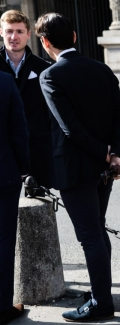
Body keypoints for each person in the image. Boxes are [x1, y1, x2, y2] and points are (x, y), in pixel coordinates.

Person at [36, 13, 120, 322]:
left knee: (89, 235)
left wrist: (105, 154)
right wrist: (114, 153)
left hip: (76, 168)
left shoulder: (50, 76)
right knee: (97, 230)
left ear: (45, 42)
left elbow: (70, 129)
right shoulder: (101, 69)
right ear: (74, 37)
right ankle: (101, 291)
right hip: (105, 167)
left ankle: (102, 302)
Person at [0, 10, 54, 190]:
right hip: (3, 150)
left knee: (38, 210)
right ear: (1, 32)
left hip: (36, 150)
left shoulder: (44, 68)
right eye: (9, 31)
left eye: (19, 31)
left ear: (29, 34)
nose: (13, 36)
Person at [0, 71, 30, 325]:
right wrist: (24, 169)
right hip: (4, 174)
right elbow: (18, 130)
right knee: (4, 240)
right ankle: (1, 306)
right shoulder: (5, 81)